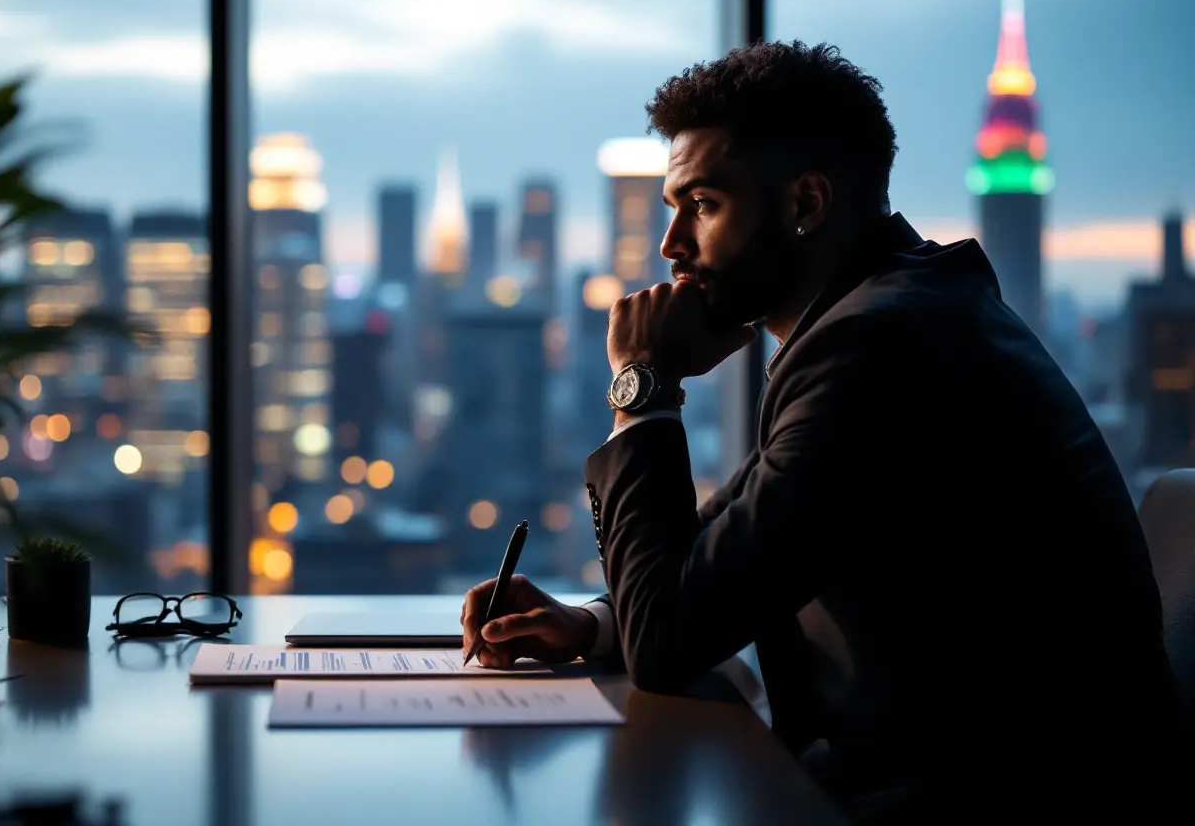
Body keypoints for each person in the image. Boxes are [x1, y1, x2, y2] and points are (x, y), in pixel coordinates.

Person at [460, 41, 1183, 821]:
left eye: (702, 205)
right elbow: (722, 555)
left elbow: (668, 638)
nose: (671, 244)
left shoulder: (878, 348)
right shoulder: (898, 314)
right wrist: (593, 622)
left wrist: (642, 383)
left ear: (805, 204)